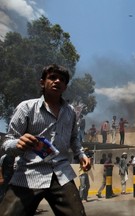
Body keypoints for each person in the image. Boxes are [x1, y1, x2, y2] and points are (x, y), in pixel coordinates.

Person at [0, 64, 91, 216]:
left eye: (62, 79)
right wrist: (18, 143)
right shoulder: (26, 108)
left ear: (65, 87)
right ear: (42, 82)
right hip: (29, 172)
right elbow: (7, 141)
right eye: (52, 77)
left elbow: (74, 138)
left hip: (61, 173)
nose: (57, 81)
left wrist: (81, 154)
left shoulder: (70, 113)